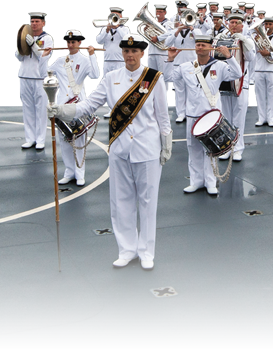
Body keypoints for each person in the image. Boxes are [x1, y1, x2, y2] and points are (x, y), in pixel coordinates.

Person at [50, 35, 172, 271]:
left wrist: (166, 144)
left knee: (147, 203)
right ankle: (126, 250)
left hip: (147, 150)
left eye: (135, 51)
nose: (130, 55)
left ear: (143, 53)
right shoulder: (111, 78)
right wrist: (61, 110)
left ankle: (146, 252)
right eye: (126, 51)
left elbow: (162, 116)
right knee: (121, 202)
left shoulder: (154, 79)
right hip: (120, 149)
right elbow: (88, 106)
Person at [164, 35, 242, 195]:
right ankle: (196, 181)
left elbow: (237, 74)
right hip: (193, 115)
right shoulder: (186, 67)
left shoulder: (219, 66)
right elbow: (168, 77)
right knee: (193, 150)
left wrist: (229, 56)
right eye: (198, 45)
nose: (200, 47)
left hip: (211, 115)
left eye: (203, 45)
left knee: (211, 151)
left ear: (210, 47)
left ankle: (211, 182)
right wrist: (170, 60)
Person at [48, 30, 100, 187]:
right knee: (64, 140)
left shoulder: (84, 60)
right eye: (68, 42)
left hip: (77, 104)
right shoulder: (61, 60)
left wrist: (92, 55)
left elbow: (95, 75)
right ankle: (69, 172)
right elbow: (46, 72)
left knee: (79, 140)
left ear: (80, 43)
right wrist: (44, 56)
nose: (70, 44)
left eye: (74, 42)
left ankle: (80, 173)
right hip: (63, 104)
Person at [215, 13, 257, 162]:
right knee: (225, 117)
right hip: (224, 81)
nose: (233, 25)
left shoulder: (247, 38)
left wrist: (243, 40)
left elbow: (251, 58)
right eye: (231, 22)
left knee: (239, 117)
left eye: (236, 22)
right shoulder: (222, 36)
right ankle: (227, 148)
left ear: (242, 25)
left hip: (240, 82)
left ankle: (238, 149)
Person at [18, 12, 55, 150]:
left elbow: (43, 56)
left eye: (37, 21)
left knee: (40, 109)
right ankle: (30, 138)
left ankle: (40, 139)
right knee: (27, 109)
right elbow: (19, 57)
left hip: (39, 77)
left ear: (43, 23)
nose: (34, 24)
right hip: (25, 75)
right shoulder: (25, 36)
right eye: (32, 21)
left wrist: (33, 44)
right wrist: (20, 44)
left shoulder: (47, 38)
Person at [164, 13, 203, 123]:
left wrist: (191, 28)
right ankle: (181, 113)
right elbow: (166, 43)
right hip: (178, 64)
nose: (184, 23)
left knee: (193, 89)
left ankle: (194, 112)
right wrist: (176, 31)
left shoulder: (196, 30)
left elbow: (200, 39)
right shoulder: (174, 31)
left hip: (192, 64)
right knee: (179, 91)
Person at [96, 8, 130, 118]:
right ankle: (111, 109)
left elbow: (126, 38)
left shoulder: (125, 28)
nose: (113, 18)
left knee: (121, 85)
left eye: (116, 16)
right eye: (112, 16)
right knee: (109, 86)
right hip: (107, 61)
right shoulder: (105, 29)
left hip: (120, 61)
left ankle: (122, 108)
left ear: (120, 17)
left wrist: (117, 27)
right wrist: (106, 30)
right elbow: (99, 40)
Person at [251, 17, 273, 127]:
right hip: (259, 68)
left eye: (270, 24)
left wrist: (269, 54)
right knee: (260, 96)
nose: (268, 26)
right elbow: (252, 52)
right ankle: (261, 118)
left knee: (271, 95)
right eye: (266, 24)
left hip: (272, 69)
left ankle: (270, 118)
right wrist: (255, 41)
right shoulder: (257, 37)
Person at [146, 5, 175, 73]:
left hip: (162, 53)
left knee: (163, 75)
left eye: (160, 12)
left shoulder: (169, 23)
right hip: (152, 52)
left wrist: (158, 38)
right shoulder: (152, 23)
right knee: (151, 75)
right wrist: (146, 30)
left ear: (164, 12)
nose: (158, 14)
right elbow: (148, 37)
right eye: (157, 12)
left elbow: (171, 33)